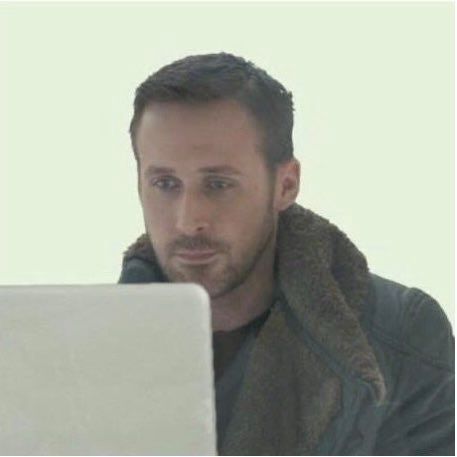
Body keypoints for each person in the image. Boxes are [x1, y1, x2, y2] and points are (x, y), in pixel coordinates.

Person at [118, 52, 454, 455]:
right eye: (165, 184)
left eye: (219, 184)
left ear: (286, 185)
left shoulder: (399, 337)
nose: (189, 221)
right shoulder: (87, 346)